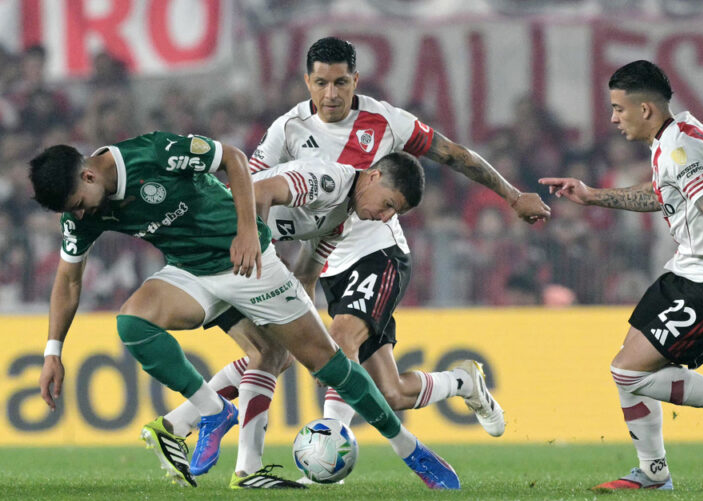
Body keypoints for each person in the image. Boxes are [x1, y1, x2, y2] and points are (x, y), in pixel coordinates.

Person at [164, 37, 550, 467]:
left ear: (356, 81)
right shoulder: (287, 129)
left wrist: (513, 196)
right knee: (387, 391)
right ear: (307, 82)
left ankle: (326, 447)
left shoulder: (385, 121)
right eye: (321, 83)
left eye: (341, 83)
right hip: (323, 259)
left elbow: (454, 155)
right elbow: (247, 188)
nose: (331, 94)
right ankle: (462, 383)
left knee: (338, 342)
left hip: (378, 253)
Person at [29, 132, 461, 491]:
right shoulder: (81, 214)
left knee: (327, 364)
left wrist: (251, 239)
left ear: (88, 174)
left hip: (249, 262)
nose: (81, 214)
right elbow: (68, 281)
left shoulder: (150, 153)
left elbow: (231, 158)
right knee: (133, 322)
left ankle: (409, 449)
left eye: (79, 203)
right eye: (74, 211)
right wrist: (53, 351)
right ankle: (214, 413)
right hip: (192, 271)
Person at [540, 60, 703, 490]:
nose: (613, 118)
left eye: (618, 108)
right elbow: (657, 195)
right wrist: (591, 196)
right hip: (686, 269)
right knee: (625, 367)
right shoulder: (674, 137)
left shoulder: (681, 147)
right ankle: (652, 473)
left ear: (645, 109)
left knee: (630, 372)